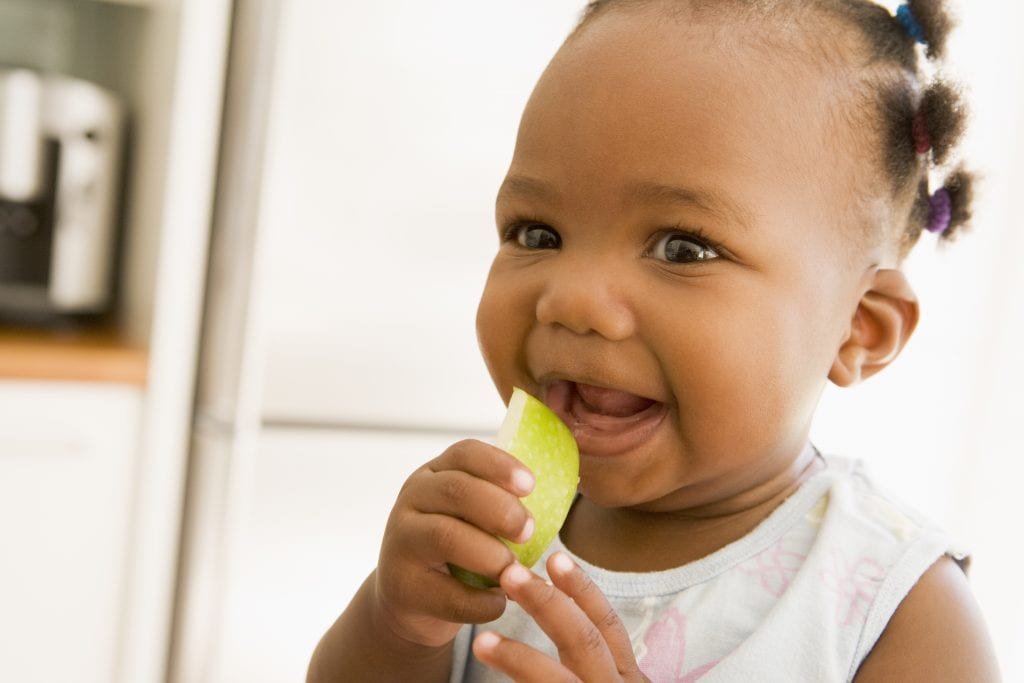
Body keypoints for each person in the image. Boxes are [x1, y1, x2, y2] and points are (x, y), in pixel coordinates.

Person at [308, 0, 1001, 680]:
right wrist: (396, 623)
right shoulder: (492, 520)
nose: (571, 299)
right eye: (536, 233)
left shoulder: (896, 609)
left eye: (683, 248)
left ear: (860, 327)